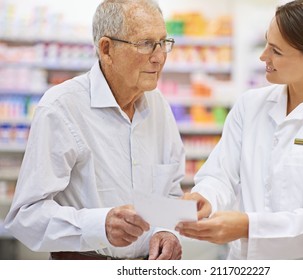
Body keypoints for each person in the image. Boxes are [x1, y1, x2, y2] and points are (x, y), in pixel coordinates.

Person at [176, 0, 303, 259]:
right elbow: (220, 174)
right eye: (267, 43)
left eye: (276, 51)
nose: (263, 56)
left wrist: (247, 227)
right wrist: (205, 196)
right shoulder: (250, 105)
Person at [5, 0, 185, 260]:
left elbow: (171, 192)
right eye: (145, 44)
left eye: (163, 42)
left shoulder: (159, 108)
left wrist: (168, 231)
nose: (159, 57)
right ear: (106, 49)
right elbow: (26, 215)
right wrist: (99, 225)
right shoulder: (61, 108)